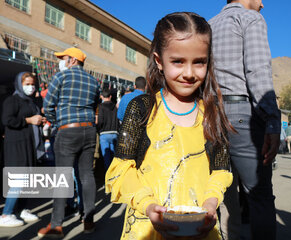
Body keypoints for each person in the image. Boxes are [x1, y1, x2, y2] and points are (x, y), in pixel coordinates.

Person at [105, 12, 234, 239]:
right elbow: (122, 170)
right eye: (178, 61)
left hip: (200, 229)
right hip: (147, 228)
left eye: (199, 62)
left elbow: (221, 170)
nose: (189, 73)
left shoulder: (212, 113)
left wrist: (211, 201)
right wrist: (146, 204)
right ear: (159, 61)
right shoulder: (143, 109)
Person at [209, 1, 281, 239]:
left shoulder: (208, 25)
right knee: (258, 195)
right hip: (242, 113)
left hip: (211, 114)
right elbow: (257, 71)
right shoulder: (250, 19)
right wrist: (272, 119)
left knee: (223, 194)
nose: (262, 4)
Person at [38, 47, 100, 238]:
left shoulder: (61, 76)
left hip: (67, 130)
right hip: (89, 130)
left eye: (63, 58)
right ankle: (88, 220)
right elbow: (95, 104)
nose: (61, 61)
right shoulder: (93, 81)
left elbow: (47, 105)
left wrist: (57, 122)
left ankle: (56, 225)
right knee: (87, 175)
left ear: (72, 60)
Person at [1, 72, 45, 227]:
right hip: (16, 144)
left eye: (32, 84)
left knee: (27, 180)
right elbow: (7, 120)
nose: (31, 87)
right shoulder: (12, 100)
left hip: (28, 144)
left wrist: (39, 120)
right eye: (27, 84)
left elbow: (32, 118)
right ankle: (6, 213)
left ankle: (22, 209)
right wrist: (29, 120)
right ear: (19, 84)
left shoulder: (30, 102)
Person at [97, 88, 119, 171]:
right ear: (110, 96)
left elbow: (100, 120)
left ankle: (108, 175)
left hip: (104, 134)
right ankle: (114, 174)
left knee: (106, 157)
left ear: (101, 96)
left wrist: (99, 129)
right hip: (114, 133)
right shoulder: (115, 106)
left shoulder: (101, 107)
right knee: (113, 156)